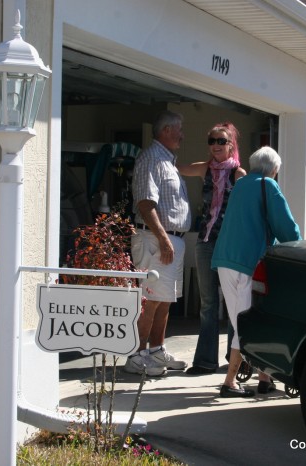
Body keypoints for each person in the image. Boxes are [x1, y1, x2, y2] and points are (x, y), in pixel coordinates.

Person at [211, 146, 302, 397]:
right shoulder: (268, 185)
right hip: (249, 262)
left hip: (225, 259)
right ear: (273, 169)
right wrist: (300, 248)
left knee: (241, 319)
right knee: (247, 324)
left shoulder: (240, 184)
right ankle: (229, 382)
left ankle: (265, 377)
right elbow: (287, 228)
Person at [125, 110, 191, 377]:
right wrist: (164, 238)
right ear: (166, 131)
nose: (182, 136)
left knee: (164, 300)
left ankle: (155, 351)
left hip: (168, 240)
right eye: (179, 130)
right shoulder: (151, 157)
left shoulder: (167, 160)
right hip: (155, 239)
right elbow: (145, 202)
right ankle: (136, 356)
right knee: (149, 300)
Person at [178, 122, 246, 375]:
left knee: (232, 305)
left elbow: (250, 207)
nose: (216, 145)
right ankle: (205, 362)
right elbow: (174, 169)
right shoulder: (204, 168)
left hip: (229, 245)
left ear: (231, 145)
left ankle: (235, 362)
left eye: (221, 141)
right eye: (212, 141)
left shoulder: (239, 174)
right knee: (207, 304)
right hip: (206, 242)